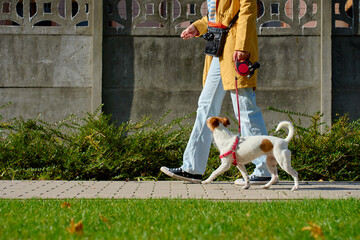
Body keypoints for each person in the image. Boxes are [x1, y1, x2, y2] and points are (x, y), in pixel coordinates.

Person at [161, 0, 273, 185]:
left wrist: (243, 46)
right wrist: (198, 27)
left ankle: (264, 168)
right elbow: (217, 18)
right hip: (218, 49)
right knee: (205, 107)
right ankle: (192, 168)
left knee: (244, 108)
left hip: (236, 50)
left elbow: (247, 11)